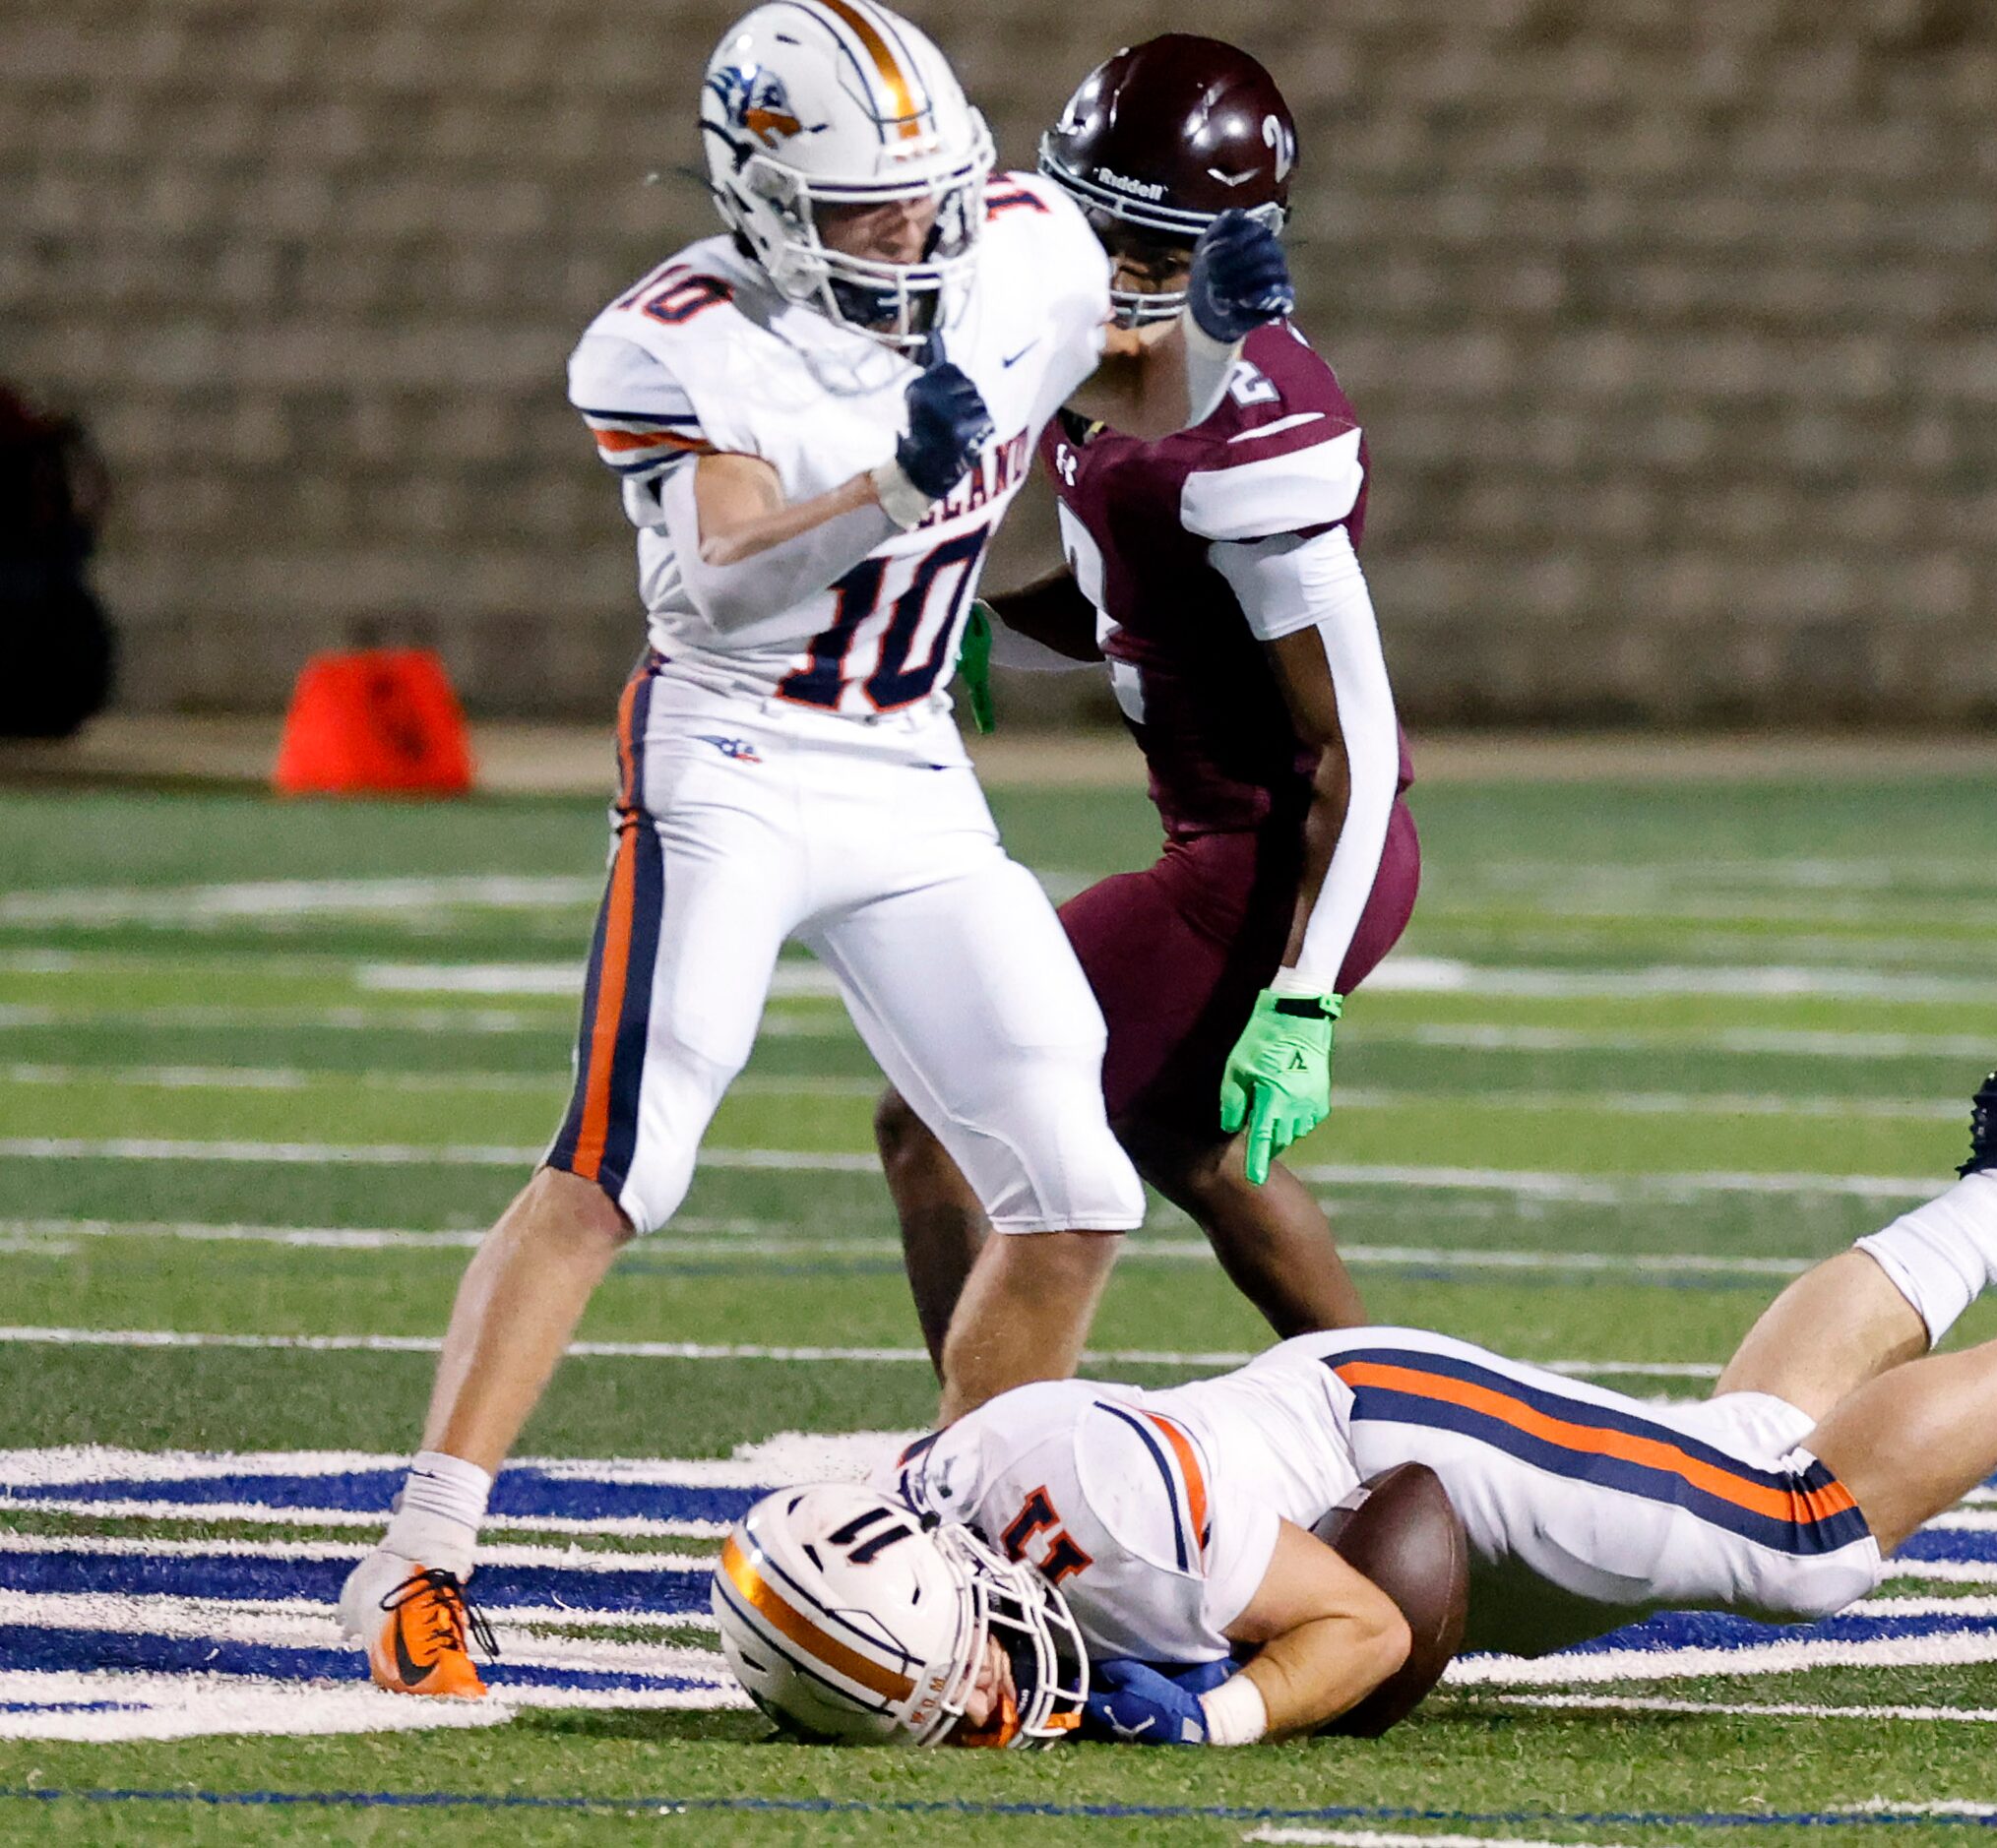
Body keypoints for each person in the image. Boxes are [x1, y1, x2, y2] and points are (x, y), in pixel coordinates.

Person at [338, 0, 1304, 1699]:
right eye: (869, 210)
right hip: (734, 746)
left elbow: (1137, 387)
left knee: (1075, 1190)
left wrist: (1214, 348)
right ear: (767, 203)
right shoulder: (673, 341)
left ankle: (961, 1544)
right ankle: (417, 1553)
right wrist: (881, 485)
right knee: (623, 1156)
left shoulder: (1014, 245)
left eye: (932, 196)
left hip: (907, 756)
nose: (913, 235)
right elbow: (715, 576)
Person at [726, 1070, 1997, 1747]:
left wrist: (1206, 1717)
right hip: (1342, 1436)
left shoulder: (1116, 1527)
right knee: (1745, 1449)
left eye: (951, 1661)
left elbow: (1355, 1628)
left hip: (1401, 1439)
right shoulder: (941, 1500)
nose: (973, 1694)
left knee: (1801, 1536)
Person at [874, 35, 1415, 1359]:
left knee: (936, 1124)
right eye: (1093, 229)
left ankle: (973, 1472)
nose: (1107, 274)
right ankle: (1403, 1439)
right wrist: (985, 626)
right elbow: (1137, 586)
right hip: (1219, 842)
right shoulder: (1122, 362)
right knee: (1200, 1151)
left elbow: (1358, 743)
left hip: (1277, 862)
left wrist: (1303, 998)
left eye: (1152, 255)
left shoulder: (1255, 433)